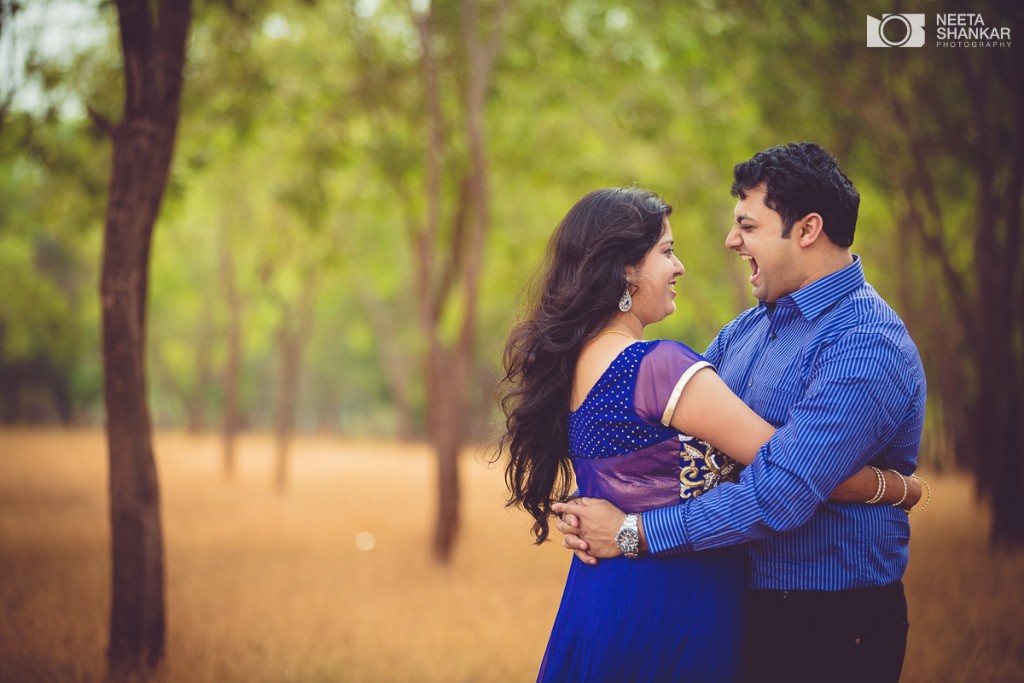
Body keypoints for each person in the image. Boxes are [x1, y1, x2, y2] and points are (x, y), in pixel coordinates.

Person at [498, 184, 920, 682]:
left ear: (808, 229)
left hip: (606, 595)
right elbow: (788, 471)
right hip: (671, 602)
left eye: (746, 226)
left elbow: (641, 464)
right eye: (666, 252)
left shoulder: (583, 363)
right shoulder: (662, 365)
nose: (680, 266)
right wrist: (897, 489)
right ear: (625, 269)